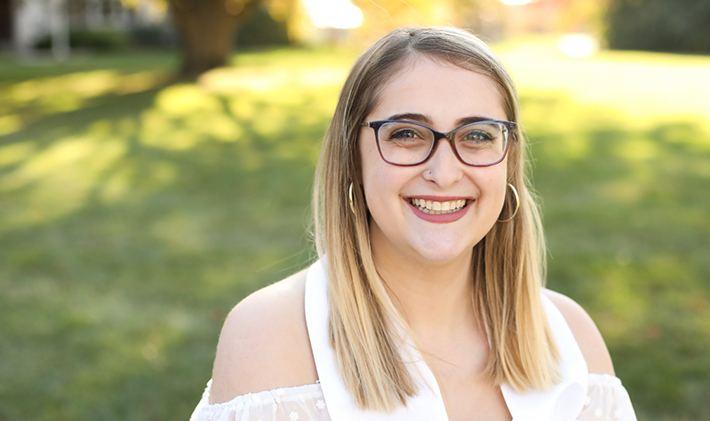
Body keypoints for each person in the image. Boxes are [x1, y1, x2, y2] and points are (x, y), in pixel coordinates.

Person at [190, 27, 637, 421]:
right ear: (352, 159)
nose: (444, 173)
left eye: (477, 135)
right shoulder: (271, 340)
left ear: (509, 160)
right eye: (406, 133)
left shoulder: (570, 338)